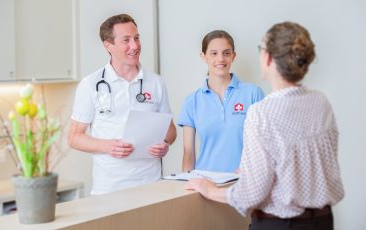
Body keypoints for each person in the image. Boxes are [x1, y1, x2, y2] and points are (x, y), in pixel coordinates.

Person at [185, 22, 344, 230]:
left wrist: (209, 190)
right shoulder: (321, 103)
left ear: (268, 58)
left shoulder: (261, 112)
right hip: (323, 221)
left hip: (279, 223)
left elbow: (252, 193)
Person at [68, 14, 176, 195]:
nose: (135, 46)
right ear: (108, 45)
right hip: (110, 189)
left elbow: (171, 130)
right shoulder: (91, 85)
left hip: (152, 186)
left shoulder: (156, 82)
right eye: (126, 40)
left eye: (137, 38)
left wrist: (165, 143)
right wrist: (108, 146)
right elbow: (74, 138)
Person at [178, 30, 264, 173]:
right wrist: (186, 187)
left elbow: (264, 146)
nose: (221, 59)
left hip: (245, 184)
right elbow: (188, 153)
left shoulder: (253, 94)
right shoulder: (192, 101)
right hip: (204, 185)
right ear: (203, 56)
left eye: (226, 53)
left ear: (233, 56)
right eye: (214, 53)